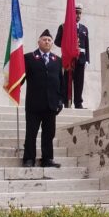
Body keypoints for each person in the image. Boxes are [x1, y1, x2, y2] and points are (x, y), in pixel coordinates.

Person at [22, 29, 66, 168]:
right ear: (39, 42)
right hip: (34, 103)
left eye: (49, 40)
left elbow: (61, 81)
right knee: (31, 133)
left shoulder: (57, 60)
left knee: (49, 134)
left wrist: (61, 100)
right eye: (44, 39)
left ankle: (47, 159)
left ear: (52, 43)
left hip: (51, 104)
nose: (47, 42)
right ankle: (29, 159)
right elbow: (21, 78)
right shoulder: (28, 58)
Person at [55, 3, 90, 109]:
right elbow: (57, 42)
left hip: (81, 59)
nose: (78, 15)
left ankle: (78, 103)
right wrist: (68, 46)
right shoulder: (64, 26)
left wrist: (87, 60)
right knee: (66, 81)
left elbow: (87, 45)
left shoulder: (84, 28)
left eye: (79, 13)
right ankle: (66, 102)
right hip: (69, 58)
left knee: (79, 82)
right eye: (76, 13)